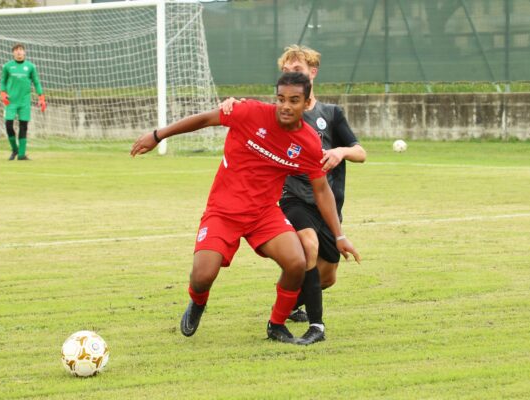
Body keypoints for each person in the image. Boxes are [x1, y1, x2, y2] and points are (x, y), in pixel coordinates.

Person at [131, 72, 361, 344]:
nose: (286, 106)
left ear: (306, 102)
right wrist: (158, 135)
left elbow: (322, 190)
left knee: (297, 262)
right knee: (203, 275)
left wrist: (339, 235)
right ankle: (198, 302)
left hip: (264, 214)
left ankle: (276, 325)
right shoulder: (248, 112)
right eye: (281, 99)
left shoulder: (308, 142)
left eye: (294, 100)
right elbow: (205, 119)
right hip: (223, 212)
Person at [220, 45, 366, 345]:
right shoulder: (282, 112)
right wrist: (232, 103)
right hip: (293, 197)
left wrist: (340, 151)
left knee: (327, 276)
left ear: (312, 73)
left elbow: (361, 152)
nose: (290, 77)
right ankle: (316, 327)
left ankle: (289, 302)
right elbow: (252, 114)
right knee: (308, 245)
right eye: (286, 72)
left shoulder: (331, 114)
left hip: (327, 203)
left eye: (297, 71)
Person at [0, 43, 46, 161]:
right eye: (16, 50)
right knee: (8, 124)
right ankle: (15, 149)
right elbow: (3, 81)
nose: (19, 52)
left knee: (23, 126)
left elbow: (36, 82)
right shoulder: (7, 66)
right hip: (11, 101)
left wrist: (41, 97)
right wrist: (3, 93)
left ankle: (21, 155)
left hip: (25, 101)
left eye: (21, 50)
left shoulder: (30, 67)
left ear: (24, 52)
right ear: (13, 53)